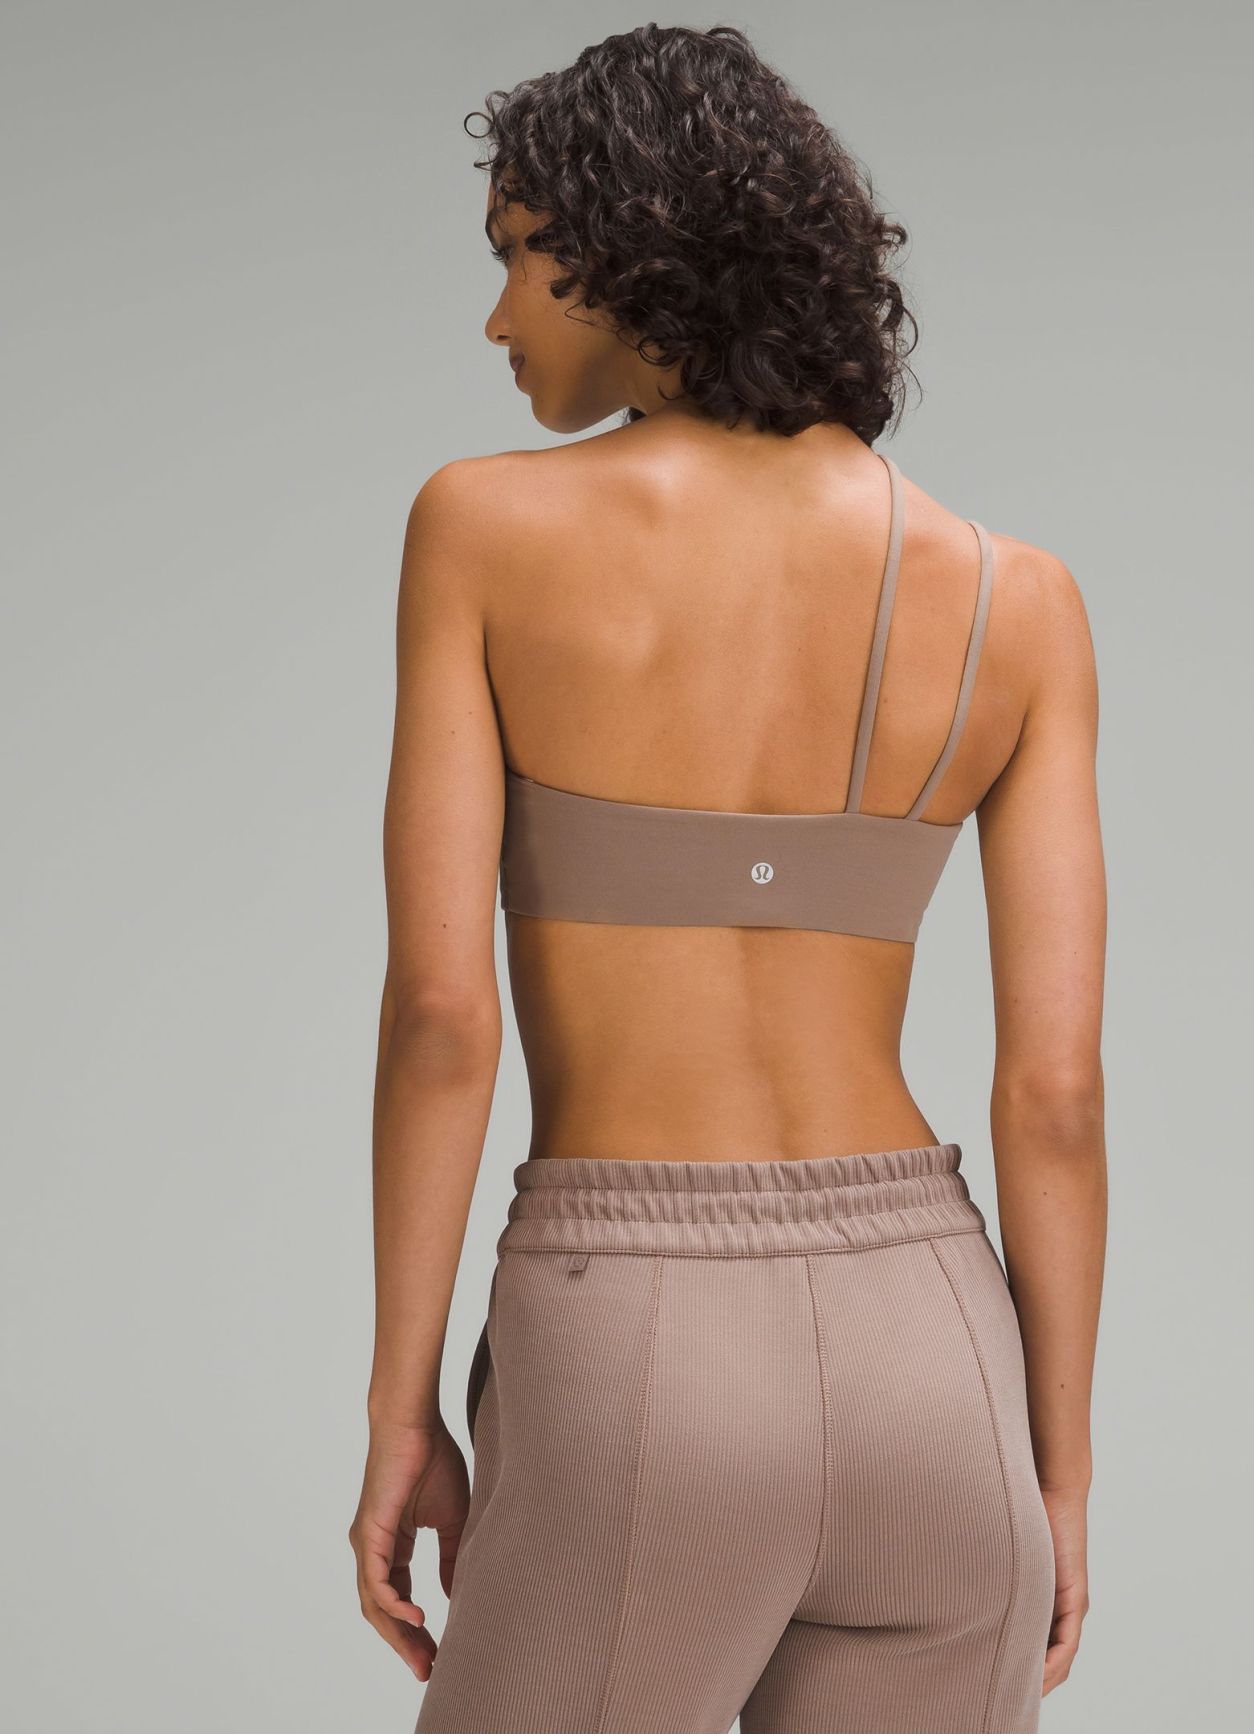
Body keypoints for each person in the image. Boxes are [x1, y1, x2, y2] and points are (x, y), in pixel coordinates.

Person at [349, 23, 1106, 1734]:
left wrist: (403, 1407)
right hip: (939, 1356)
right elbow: (1053, 1094)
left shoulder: (482, 528)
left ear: (632, 249)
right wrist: (1054, 1470)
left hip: (637, 1336)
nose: (497, 317)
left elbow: (441, 1016)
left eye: (517, 254)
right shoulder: (1022, 601)